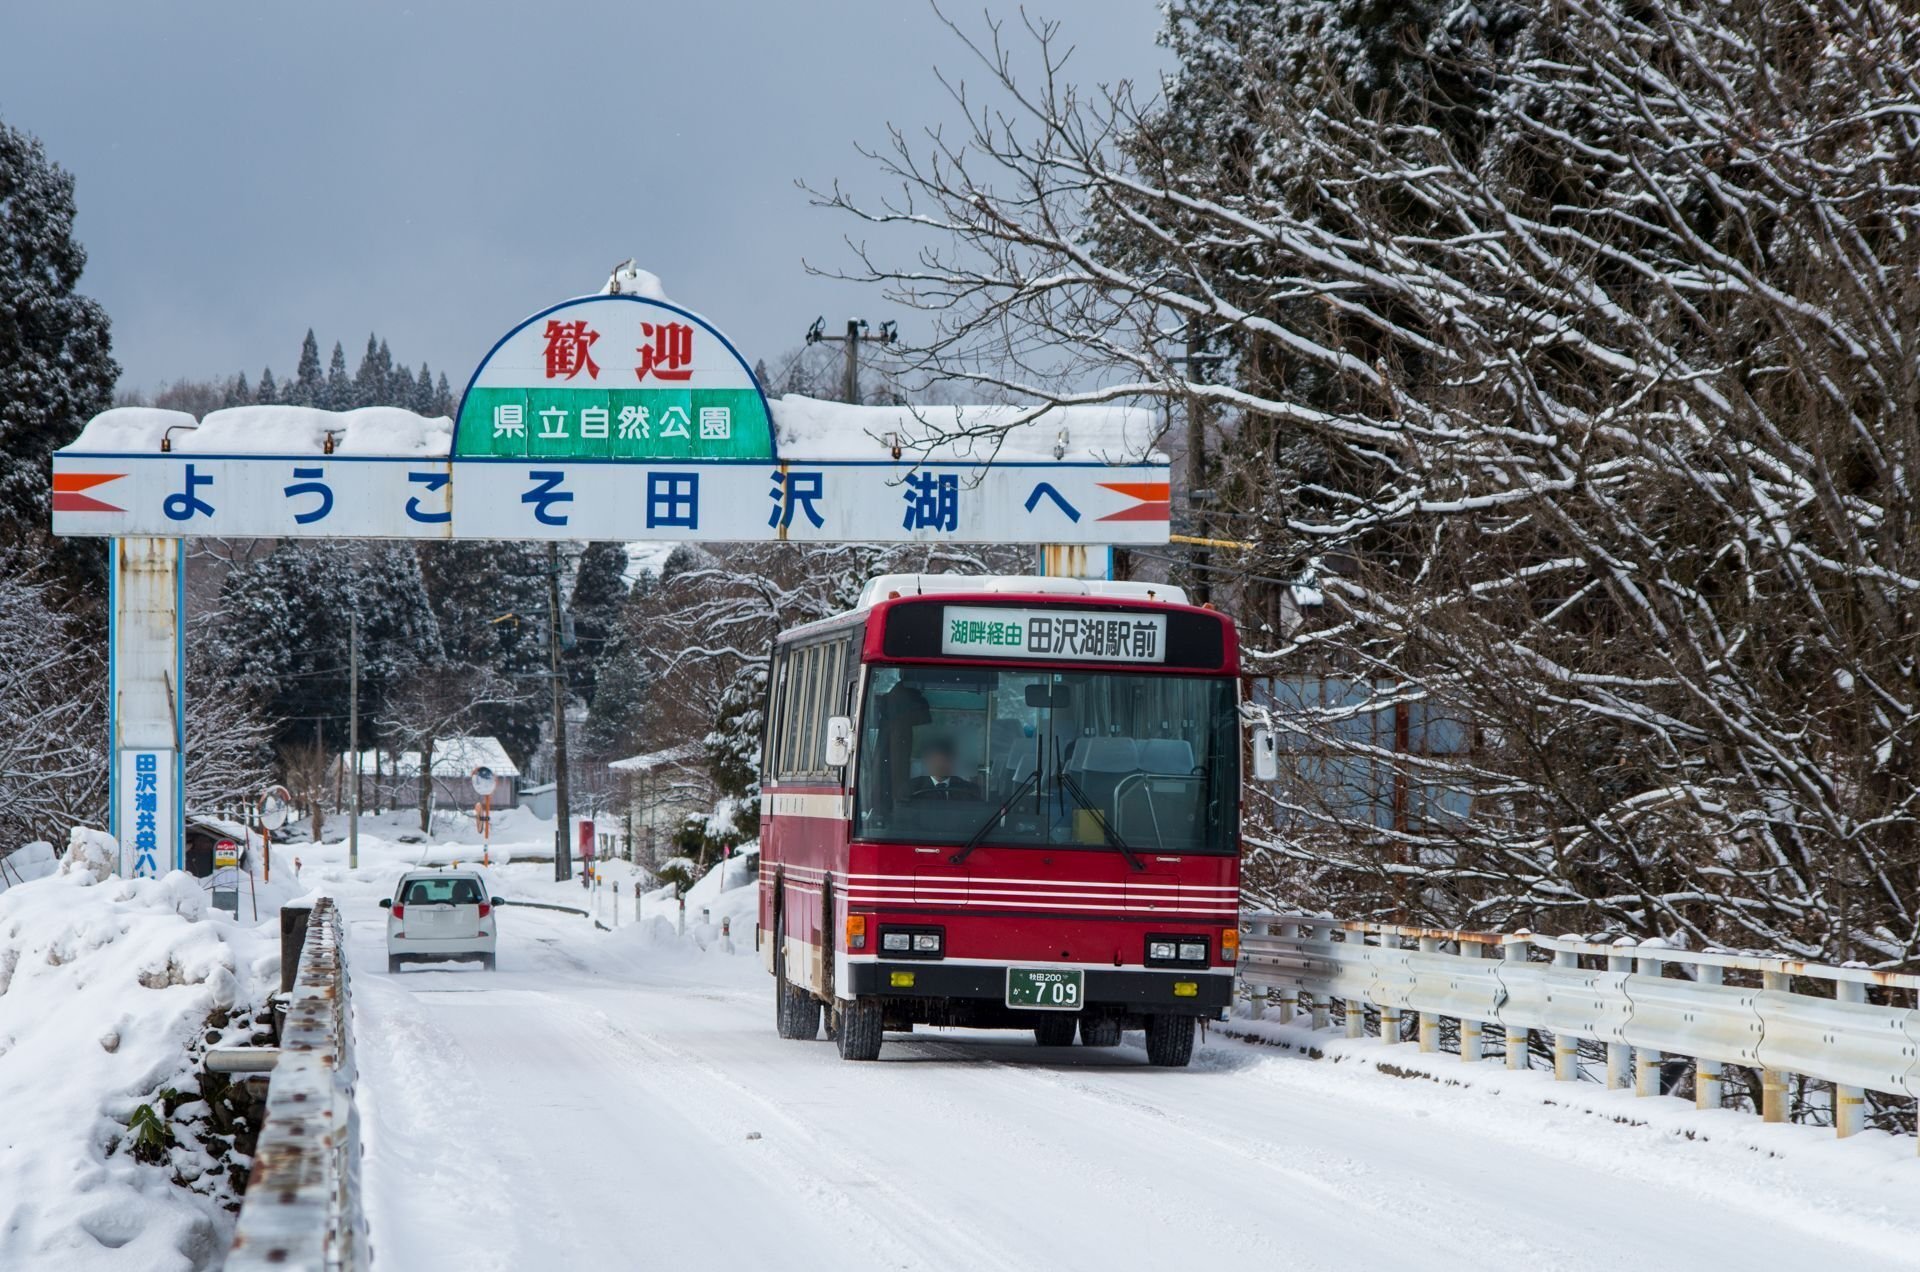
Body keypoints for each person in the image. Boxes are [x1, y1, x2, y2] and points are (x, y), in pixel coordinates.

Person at [908, 737, 981, 800]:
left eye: (947, 759)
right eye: (937, 759)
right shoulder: (912, 788)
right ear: (927, 761)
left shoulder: (969, 790)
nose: (942, 764)